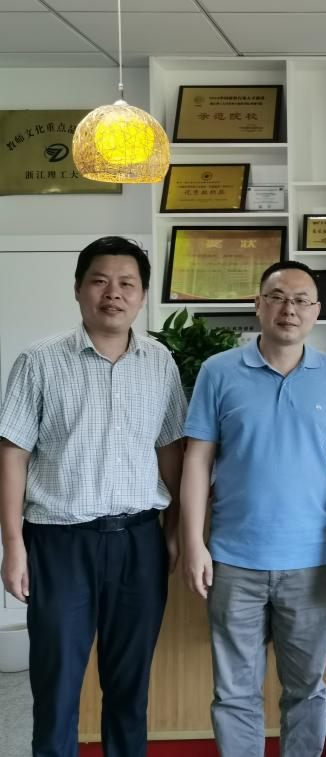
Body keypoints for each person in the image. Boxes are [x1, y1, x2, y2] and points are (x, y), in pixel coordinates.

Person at [0, 236, 186, 757]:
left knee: (130, 687)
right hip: (59, 543)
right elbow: (12, 452)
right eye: (100, 281)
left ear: (142, 295)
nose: (113, 294)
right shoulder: (39, 361)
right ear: (79, 288)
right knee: (56, 684)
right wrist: (13, 545)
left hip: (138, 542)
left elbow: (171, 449)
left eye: (127, 283)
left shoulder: (160, 362)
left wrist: (173, 531)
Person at [180, 260, 326, 757]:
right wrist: (194, 542)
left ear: (317, 312)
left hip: (311, 561)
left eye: (302, 300)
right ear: (258, 305)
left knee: (306, 689)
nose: (290, 309)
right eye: (278, 297)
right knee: (234, 694)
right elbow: (197, 459)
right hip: (233, 559)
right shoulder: (219, 372)